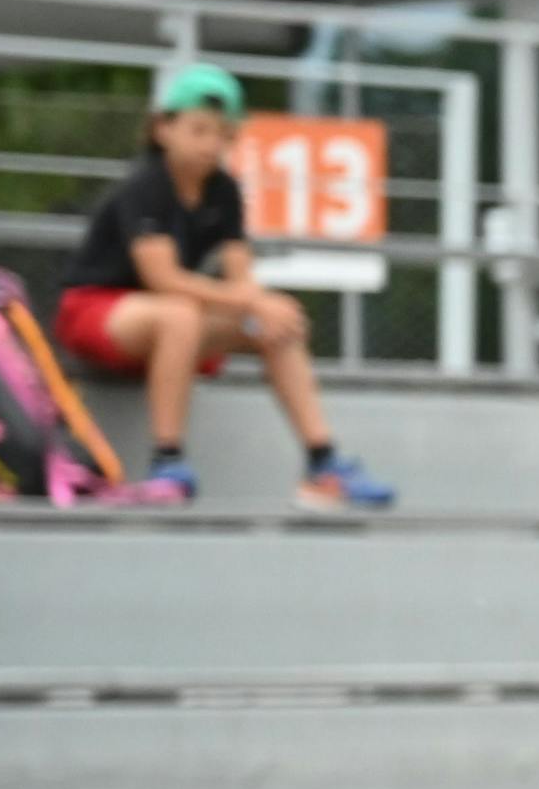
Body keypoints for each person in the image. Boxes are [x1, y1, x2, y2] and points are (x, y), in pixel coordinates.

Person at [50, 63, 393, 508]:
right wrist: (249, 297)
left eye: (223, 135)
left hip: (170, 326)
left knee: (279, 321)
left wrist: (261, 308)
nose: (211, 145)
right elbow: (163, 278)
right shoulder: (145, 186)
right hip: (96, 314)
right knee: (181, 313)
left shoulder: (224, 191)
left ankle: (322, 463)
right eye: (199, 130)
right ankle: (167, 462)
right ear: (163, 129)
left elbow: (239, 274)